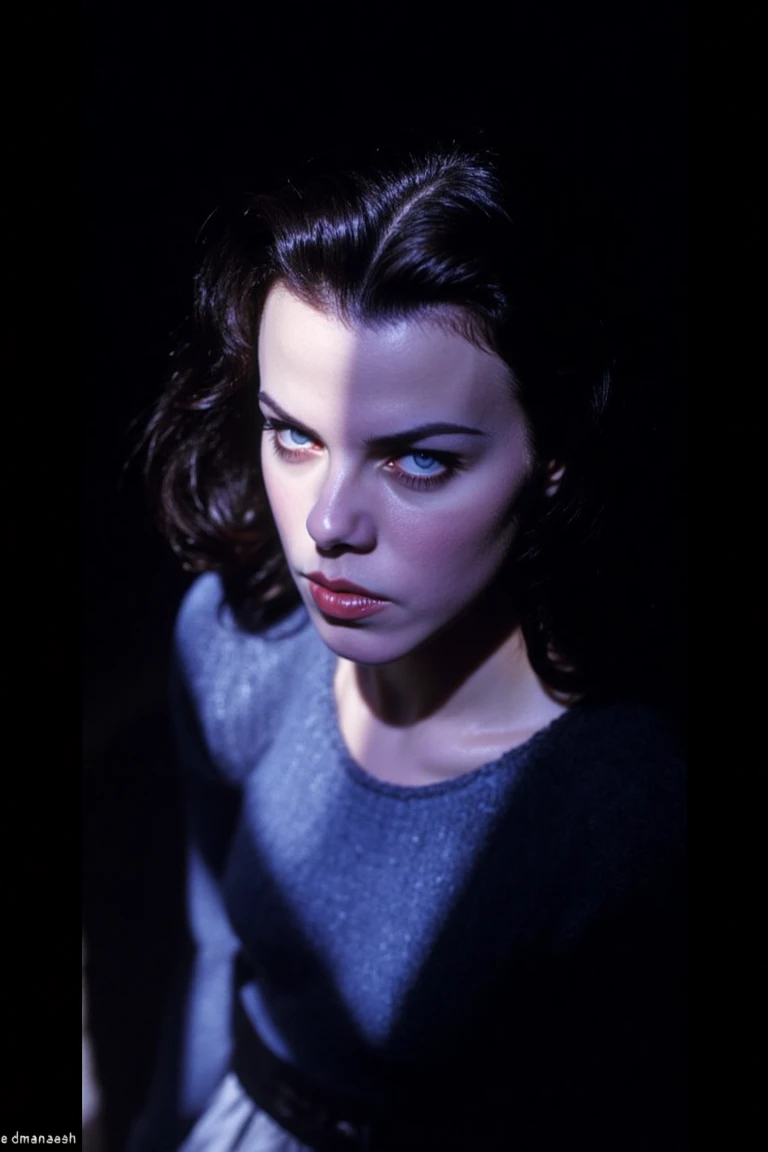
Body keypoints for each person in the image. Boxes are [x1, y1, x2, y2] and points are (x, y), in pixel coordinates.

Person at [129, 132, 686, 1151]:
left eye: (419, 461)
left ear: (552, 453)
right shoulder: (236, 639)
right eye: (292, 433)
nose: (328, 522)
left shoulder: (617, 806)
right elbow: (211, 948)